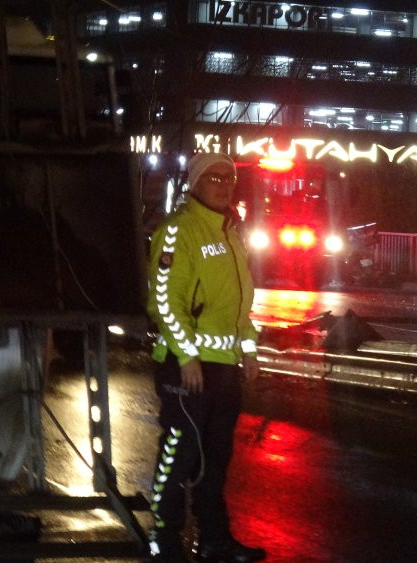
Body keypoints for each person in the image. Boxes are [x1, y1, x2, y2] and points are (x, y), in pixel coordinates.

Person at [146, 152, 265, 563]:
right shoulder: (179, 230)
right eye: (212, 177)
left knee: (216, 459)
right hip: (187, 368)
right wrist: (186, 355)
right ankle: (163, 538)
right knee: (178, 455)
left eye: (228, 177)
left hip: (224, 367)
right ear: (195, 183)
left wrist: (248, 351)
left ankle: (214, 540)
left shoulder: (232, 233)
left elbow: (239, 307)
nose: (222, 183)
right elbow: (164, 300)